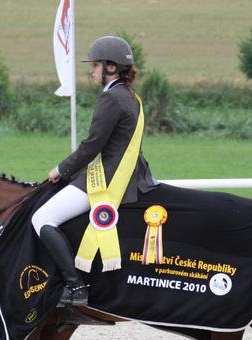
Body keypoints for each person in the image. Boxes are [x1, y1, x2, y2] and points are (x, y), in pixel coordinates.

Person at [32, 35, 158, 307]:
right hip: (131, 174)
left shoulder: (111, 98)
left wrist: (61, 169)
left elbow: (92, 145)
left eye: (95, 65)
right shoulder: (131, 97)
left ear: (111, 67)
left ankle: (75, 285)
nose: (91, 71)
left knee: (42, 217)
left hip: (108, 178)